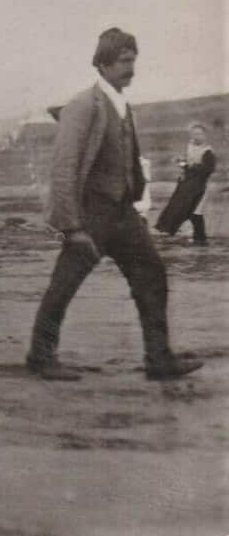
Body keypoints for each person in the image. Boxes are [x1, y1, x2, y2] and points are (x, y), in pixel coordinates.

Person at [28, 27, 202, 381]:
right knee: (64, 284)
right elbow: (63, 167)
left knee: (151, 275)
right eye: (124, 61)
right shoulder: (81, 106)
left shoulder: (123, 105)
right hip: (90, 215)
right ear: (103, 63)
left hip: (123, 214)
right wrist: (71, 226)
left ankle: (158, 359)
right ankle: (41, 356)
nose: (131, 68)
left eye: (133, 60)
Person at [155, 122, 217, 245]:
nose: (196, 136)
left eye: (199, 133)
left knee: (196, 211)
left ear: (205, 135)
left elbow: (208, 169)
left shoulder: (208, 151)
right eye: (194, 134)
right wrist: (181, 162)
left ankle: (201, 239)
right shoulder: (190, 147)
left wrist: (188, 166)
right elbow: (187, 164)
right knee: (183, 209)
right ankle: (198, 239)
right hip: (188, 184)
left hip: (200, 186)